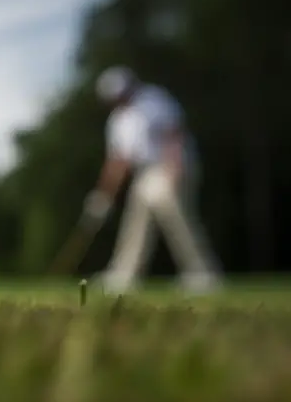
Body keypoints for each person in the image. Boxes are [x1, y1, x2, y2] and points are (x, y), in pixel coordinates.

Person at [81, 66, 222, 295]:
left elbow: (173, 135)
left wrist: (173, 171)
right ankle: (124, 277)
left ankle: (203, 275)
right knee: (136, 222)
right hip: (146, 173)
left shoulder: (153, 100)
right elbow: (118, 162)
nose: (119, 98)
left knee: (178, 220)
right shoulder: (118, 120)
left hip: (171, 166)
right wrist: (104, 195)